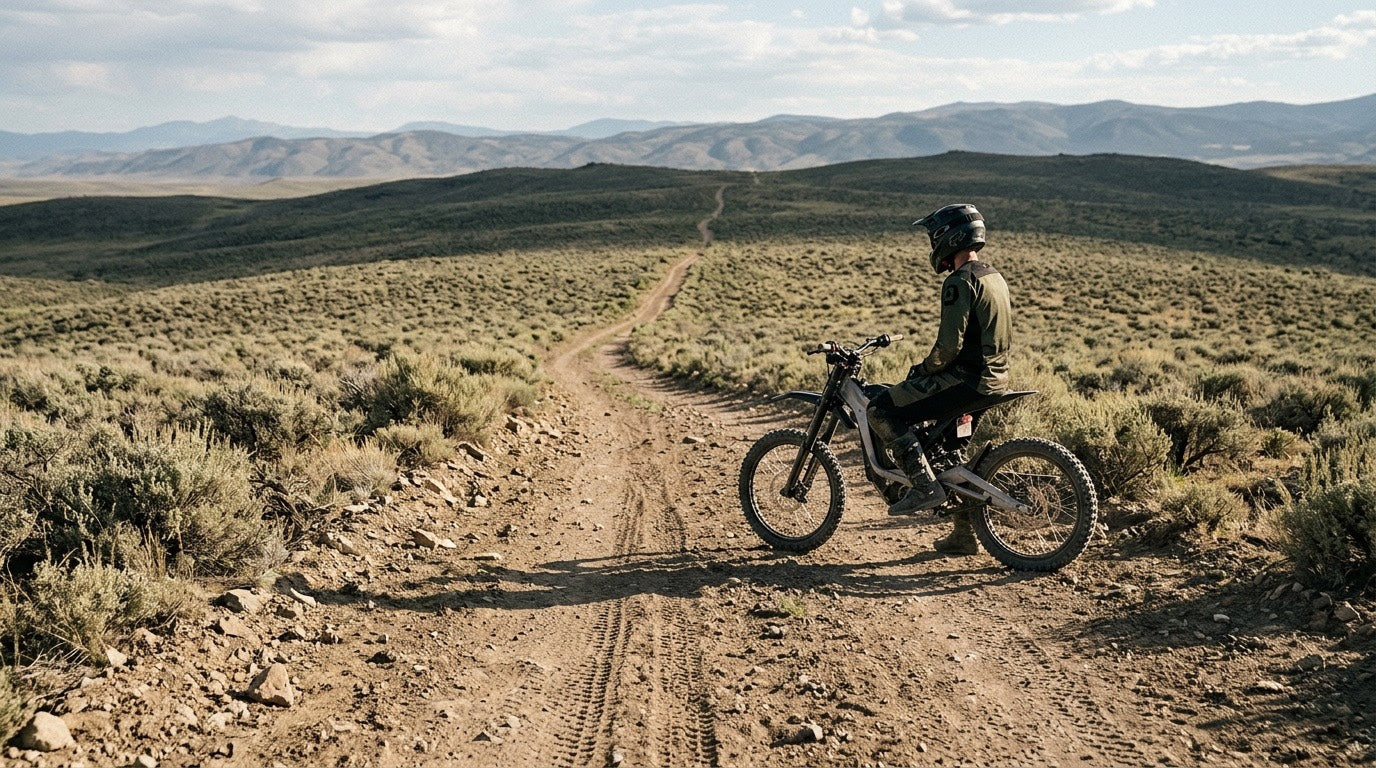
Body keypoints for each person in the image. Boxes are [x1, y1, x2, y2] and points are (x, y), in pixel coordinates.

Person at [865, 203, 1012, 555]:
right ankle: (964, 535)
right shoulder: (994, 276)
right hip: (994, 380)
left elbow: (948, 347)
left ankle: (923, 486)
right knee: (951, 455)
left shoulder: (959, 282)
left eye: (934, 236)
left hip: (967, 381)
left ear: (949, 238)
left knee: (880, 409)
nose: (932, 244)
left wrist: (923, 370)